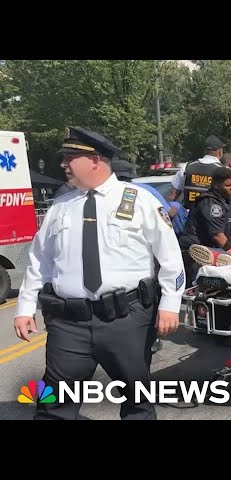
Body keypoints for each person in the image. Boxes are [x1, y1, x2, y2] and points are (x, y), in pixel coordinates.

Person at [13, 127, 185, 420]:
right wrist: (25, 307)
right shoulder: (60, 206)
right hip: (69, 324)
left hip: (126, 320)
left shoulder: (140, 200)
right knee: (53, 405)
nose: (63, 164)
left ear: (95, 159)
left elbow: (170, 258)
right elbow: (39, 260)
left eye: (70, 157)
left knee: (137, 404)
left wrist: (170, 304)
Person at [111, 157, 168, 354]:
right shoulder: (145, 193)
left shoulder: (97, 196)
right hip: (144, 262)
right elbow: (167, 214)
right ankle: (152, 337)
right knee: (149, 295)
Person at [178, 167, 231, 287]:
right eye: (227, 185)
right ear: (216, 185)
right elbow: (217, 235)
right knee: (198, 289)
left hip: (212, 249)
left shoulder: (227, 200)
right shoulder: (210, 203)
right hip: (196, 252)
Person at [170, 134, 225, 209]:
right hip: (213, 217)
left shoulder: (187, 166)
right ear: (220, 151)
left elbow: (173, 194)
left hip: (189, 216)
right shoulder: (224, 170)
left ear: (205, 150)